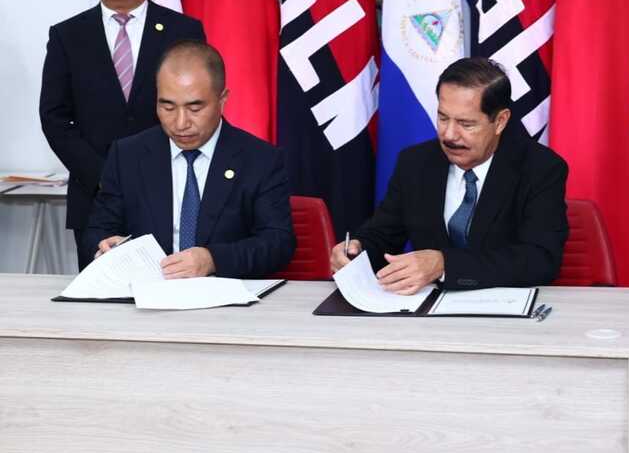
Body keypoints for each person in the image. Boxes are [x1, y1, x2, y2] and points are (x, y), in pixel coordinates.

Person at [40, 0, 205, 269]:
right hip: (95, 198)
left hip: (169, 190)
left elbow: (198, 109)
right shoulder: (68, 36)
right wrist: (105, 177)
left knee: (173, 288)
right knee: (101, 296)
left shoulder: (184, 31)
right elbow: (55, 118)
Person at [330, 57, 569, 293]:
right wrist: (358, 251)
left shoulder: (540, 169)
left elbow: (540, 259)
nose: (449, 135)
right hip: (426, 307)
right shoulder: (415, 163)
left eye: (466, 124)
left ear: (500, 121)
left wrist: (445, 265)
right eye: (443, 118)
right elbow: (384, 235)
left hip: (504, 310)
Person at [84, 41, 295, 279]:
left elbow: (278, 243)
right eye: (168, 107)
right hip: (149, 293)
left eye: (195, 108)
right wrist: (106, 245)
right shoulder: (127, 155)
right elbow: (97, 230)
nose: (180, 123)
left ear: (222, 99)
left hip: (226, 293)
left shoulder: (260, 160)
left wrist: (213, 259)